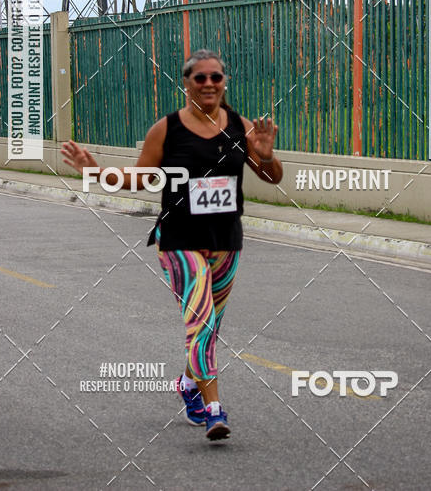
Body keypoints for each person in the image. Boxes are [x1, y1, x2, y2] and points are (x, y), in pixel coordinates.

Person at [61, 48, 282, 441]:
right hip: (179, 241)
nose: (210, 84)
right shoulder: (167, 129)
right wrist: (93, 172)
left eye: (216, 77)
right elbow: (138, 179)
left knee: (210, 327)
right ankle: (214, 408)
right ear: (186, 83)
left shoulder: (240, 126)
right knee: (200, 321)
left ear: (224, 81)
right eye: (201, 78)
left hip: (226, 241)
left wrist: (265, 155)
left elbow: (272, 176)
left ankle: (187, 383)